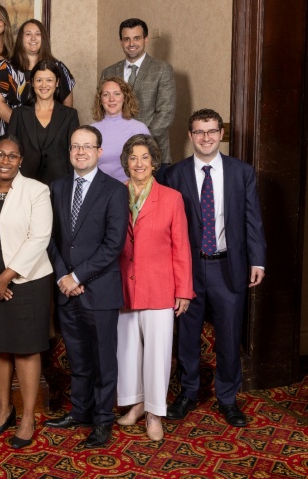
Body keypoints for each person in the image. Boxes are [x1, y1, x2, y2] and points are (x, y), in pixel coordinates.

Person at [164, 109, 266, 427]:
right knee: (188, 336)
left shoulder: (241, 172)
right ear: (190, 135)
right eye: (199, 131)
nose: (205, 137)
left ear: (221, 134)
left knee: (229, 334)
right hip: (189, 269)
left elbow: (253, 219)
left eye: (211, 131)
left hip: (228, 266)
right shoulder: (174, 174)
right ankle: (188, 392)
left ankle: (228, 398)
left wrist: (257, 259)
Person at [0, 135, 53, 449]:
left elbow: (39, 237)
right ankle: (4, 409)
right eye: (0, 154)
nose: (5, 161)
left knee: (26, 349)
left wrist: (6, 276)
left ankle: (28, 416)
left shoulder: (37, 191)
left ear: (21, 161)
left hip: (27, 283)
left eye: (12, 156)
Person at [45, 126, 128, 449]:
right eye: (75, 146)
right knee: (77, 357)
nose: (80, 152)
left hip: (99, 290)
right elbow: (48, 237)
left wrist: (76, 277)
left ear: (99, 151)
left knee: (104, 360)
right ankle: (79, 412)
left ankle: (102, 420)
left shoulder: (114, 190)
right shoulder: (57, 186)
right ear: (69, 152)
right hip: (66, 290)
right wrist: (63, 276)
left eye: (87, 147)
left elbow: (113, 244)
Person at [116, 134, 194, 441]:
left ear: (154, 162)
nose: (138, 163)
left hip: (160, 287)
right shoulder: (114, 194)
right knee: (128, 351)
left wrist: (184, 290)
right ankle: (135, 404)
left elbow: (182, 248)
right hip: (122, 287)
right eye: (133, 157)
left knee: (158, 354)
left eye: (144, 157)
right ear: (126, 162)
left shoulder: (172, 198)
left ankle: (154, 413)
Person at [100, 18, 176, 165]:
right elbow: (102, 111)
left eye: (136, 38)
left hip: (153, 153)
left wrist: (139, 143)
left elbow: (166, 113)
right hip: (116, 155)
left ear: (146, 39)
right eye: (126, 39)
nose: (131, 44)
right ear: (121, 42)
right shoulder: (108, 72)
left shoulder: (162, 69)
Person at [0, 19, 75, 148]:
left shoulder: (58, 68)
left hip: (51, 137)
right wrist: (25, 128)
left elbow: (67, 106)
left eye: (38, 34)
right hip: (13, 135)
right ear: (21, 39)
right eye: (28, 34)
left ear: (44, 38)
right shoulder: (5, 68)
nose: (33, 38)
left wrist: (46, 130)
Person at [7, 60, 79, 185]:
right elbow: (11, 151)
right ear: (32, 83)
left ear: (57, 83)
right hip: (25, 184)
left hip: (60, 185)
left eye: (49, 80)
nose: (44, 85)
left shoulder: (70, 115)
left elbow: (73, 152)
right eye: (39, 80)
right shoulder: (19, 114)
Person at [90, 76, 150, 182]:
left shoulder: (139, 129)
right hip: (100, 190)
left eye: (117, 94)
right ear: (100, 100)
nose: (111, 99)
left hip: (131, 190)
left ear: (125, 98)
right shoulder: (91, 130)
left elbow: (149, 165)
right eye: (106, 94)